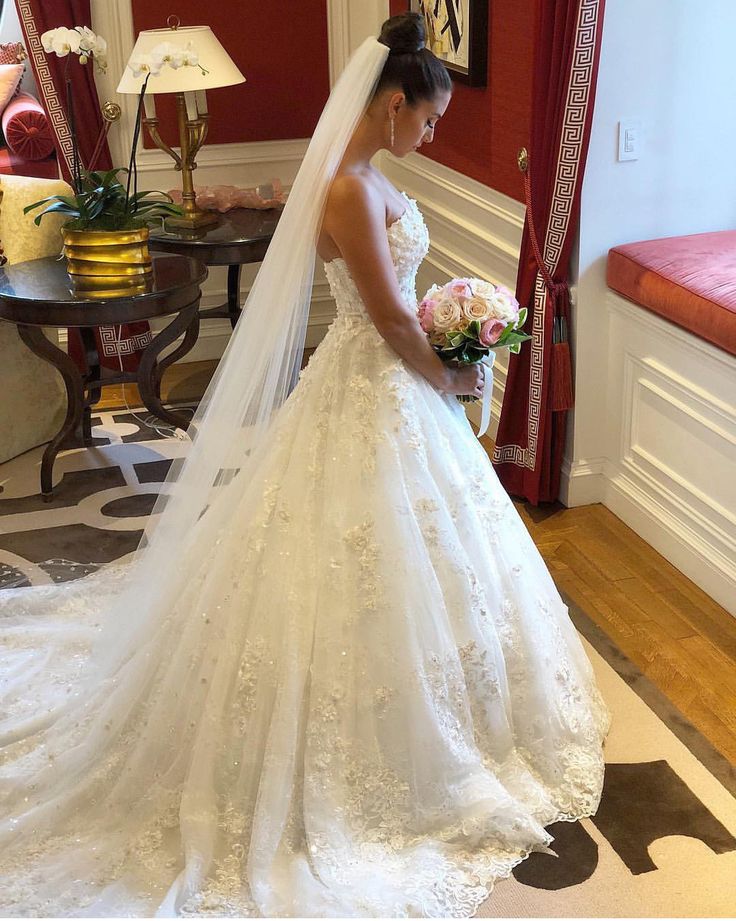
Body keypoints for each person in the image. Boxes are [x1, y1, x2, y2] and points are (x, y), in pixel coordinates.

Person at [0, 12, 611, 918]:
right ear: (393, 102)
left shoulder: (349, 173)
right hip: (378, 383)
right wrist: (449, 370)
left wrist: (246, 201)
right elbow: (393, 320)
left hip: (374, 386)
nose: (432, 135)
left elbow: (341, 239)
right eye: (430, 120)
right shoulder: (351, 193)